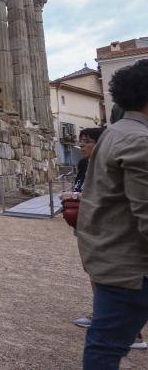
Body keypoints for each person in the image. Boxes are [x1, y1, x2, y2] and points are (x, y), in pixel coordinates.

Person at [77, 59, 148, 368]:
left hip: (110, 256)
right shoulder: (138, 140)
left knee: (103, 345)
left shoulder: (114, 133)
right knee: (104, 349)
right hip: (132, 266)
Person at [62, 127, 104, 329]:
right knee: (92, 270)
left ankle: (124, 327)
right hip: (83, 223)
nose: (82, 145)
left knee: (102, 271)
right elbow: (79, 187)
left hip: (100, 226)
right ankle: (101, 312)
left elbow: (101, 195)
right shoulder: (85, 164)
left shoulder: (105, 165)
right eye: (81, 141)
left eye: (87, 141)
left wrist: (75, 196)